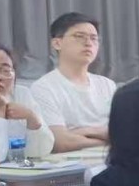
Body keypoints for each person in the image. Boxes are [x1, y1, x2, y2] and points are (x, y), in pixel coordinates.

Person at [30, 13, 117, 153]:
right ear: (57, 43)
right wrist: (112, 141)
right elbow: (60, 142)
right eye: (79, 36)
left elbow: (125, 132)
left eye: (94, 38)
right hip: (69, 163)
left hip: (112, 159)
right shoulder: (43, 88)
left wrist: (86, 131)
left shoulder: (108, 85)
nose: (88, 43)